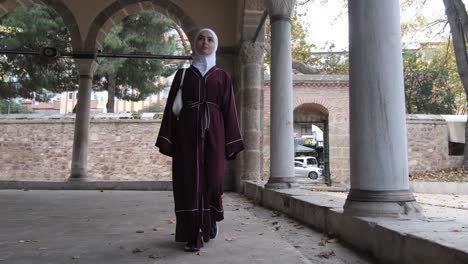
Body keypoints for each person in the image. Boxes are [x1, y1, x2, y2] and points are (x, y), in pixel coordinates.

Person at [155, 28, 244, 252]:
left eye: (210, 39)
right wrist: (169, 138)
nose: (205, 42)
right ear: (195, 43)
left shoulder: (222, 76)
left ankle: (210, 218)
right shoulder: (183, 75)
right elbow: (171, 110)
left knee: (213, 180)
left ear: (216, 44)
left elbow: (229, 111)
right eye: (201, 39)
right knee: (188, 181)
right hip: (187, 135)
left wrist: (230, 142)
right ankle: (192, 233)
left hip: (215, 133)